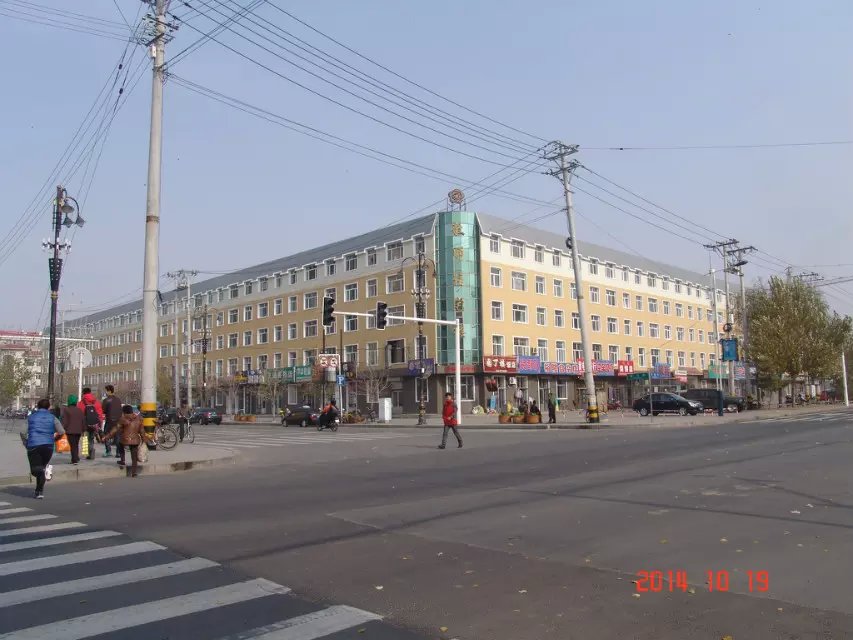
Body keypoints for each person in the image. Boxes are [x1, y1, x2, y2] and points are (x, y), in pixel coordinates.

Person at [24, 398, 65, 498]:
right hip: (48, 446)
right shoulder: (53, 418)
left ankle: (44, 473)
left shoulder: (31, 417)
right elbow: (61, 431)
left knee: (35, 470)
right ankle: (39, 492)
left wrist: (26, 443)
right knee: (41, 467)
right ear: (48, 407)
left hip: (34, 445)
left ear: (38, 406)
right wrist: (55, 439)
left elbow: (23, 432)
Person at [103, 405, 146, 477]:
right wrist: (144, 440)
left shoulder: (123, 419)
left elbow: (115, 429)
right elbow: (142, 431)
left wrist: (107, 436)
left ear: (124, 411)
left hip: (125, 439)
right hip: (135, 440)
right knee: (134, 456)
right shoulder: (139, 419)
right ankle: (134, 472)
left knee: (120, 445)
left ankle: (122, 460)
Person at [77, 387, 105, 460]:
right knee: (91, 438)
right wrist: (99, 424)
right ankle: (91, 451)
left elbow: (79, 415)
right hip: (94, 424)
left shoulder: (81, 403)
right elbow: (100, 414)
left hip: (85, 424)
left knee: (85, 438)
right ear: (90, 392)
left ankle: (86, 453)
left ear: (83, 393)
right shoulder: (96, 402)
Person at [61, 394, 85, 464]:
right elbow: (83, 420)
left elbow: (65, 421)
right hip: (78, 431)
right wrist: (83, 429)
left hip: (70, 431)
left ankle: (74, 459)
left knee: (73, 445)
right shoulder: (79, 410)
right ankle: (76, 457)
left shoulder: (66, 410)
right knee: (76, 444)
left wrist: (62, 428)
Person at [101, 384, 123, 459]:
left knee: (106, 435)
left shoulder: (106, 400)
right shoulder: (118, 400)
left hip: (109, 421)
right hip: (118, 421)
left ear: (109, 391)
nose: (105, 392)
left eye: (106, 391)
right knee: (117, 436)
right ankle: (118, 452)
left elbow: (103, 410)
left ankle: (108, 451)